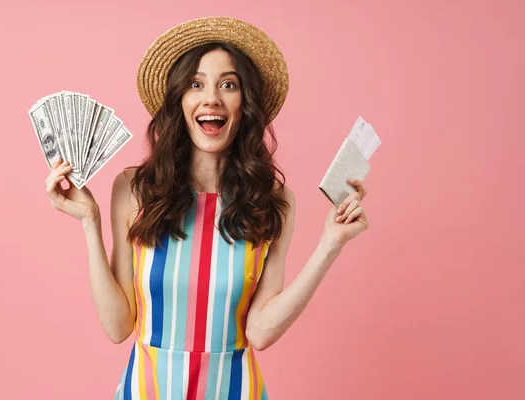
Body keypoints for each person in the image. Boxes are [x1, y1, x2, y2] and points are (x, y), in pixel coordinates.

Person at [44, 16, 370, 400]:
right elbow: (118, 327)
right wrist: (89, 221)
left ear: (244, 104)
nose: (211, 98)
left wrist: (330, 243)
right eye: (196, 84)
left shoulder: (273, 202)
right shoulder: (135, 190)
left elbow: (261, 332)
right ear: (180, 100)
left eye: (228, 85)